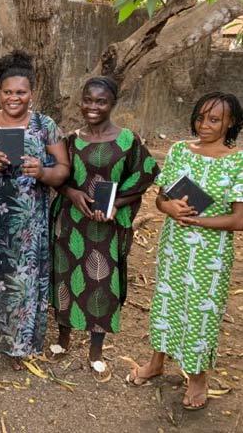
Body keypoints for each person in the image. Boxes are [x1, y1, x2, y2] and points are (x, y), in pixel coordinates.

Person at [127, 92, 243, 410]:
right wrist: (171, 209)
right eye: (200, 117)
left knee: (201, 314)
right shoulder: (179, 151)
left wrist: (199, 220)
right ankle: (156, 362)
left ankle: (197, 377)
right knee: (166, 303)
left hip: (211, 255)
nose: (204, 125)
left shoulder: (238, 161)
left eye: (215, 119)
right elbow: (162, 199)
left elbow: (238, 219)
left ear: (231, 122)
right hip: (175, 247)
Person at [0, 50, 70, 370]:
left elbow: (63, 168)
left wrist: (43, 173)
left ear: (31, 93)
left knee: (20, 282)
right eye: (8, 92)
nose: (13, 98)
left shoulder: (45, 125)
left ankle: (17, 344)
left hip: (25, 225)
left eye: (21, 92)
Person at [50, 76, 159, 381]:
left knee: (102, 283)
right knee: (66, 278)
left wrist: (117, 205)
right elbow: (58, 178)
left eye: (100, 101)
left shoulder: (128, 141)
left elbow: (143, 178)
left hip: (108, 226)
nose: (92, 107)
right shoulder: (70, 140)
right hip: (72, 223)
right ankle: (63, 339)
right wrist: (71, 193)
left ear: (113, 104)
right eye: (87, 100)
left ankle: (96, 351)